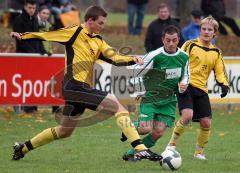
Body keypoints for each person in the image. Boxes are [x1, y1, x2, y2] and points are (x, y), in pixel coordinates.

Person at [10, 5, 162, 162]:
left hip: (81, 89)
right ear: (90, 20)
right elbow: (47, 35)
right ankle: (140, 148)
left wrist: (132, 59)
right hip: (74, 85)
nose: (103, 26)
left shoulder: (98, 41)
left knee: (64, 131)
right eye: (101, 23)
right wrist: (23, 35)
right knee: (118, 105)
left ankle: (23, 148)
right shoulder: (75, 32)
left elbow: (115, 58)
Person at [121, 25, 190, 161]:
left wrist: (184, 84)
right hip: (151, 98)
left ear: (178, 40)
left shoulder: (184, 56)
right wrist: (140, 90)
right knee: (144, 129)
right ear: (162, 39)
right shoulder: (154, 55)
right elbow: (135, 71)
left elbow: (186, 75)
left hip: (169, 100)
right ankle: (128, 128)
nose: (171, 43)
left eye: (174, 40)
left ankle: (132, 153)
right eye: (168, 40)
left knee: (158, 132)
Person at [166, 16, 229, 160]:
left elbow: (220, 71)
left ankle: (199, 153)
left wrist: (224, 84)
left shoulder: (216, 52)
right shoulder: (190, 44)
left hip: (201, 89)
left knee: (206, 122)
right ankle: (171, 145)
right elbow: (178, 60)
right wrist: (176, 81)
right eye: (204, 29)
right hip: (186, 85)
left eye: (209, 30)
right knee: (187, 115)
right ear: (200, 30)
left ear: (214, 33)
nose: (206, 32)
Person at [13, 0, 46, 113]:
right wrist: (33, 52)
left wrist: (43, 51)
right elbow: (20, 40)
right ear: (25, 7)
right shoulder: (18, 20)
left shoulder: (35, 20)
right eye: (29, 8)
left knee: (33, 81)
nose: (31, 10)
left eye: (33, 8)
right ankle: (20, 107)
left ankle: (32, 106)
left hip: (34, 57)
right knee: (22, 82)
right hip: (23, 57)